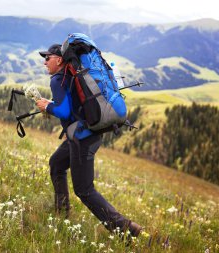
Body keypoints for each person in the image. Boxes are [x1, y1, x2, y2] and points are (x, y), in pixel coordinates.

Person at [36, 44, 142, 239]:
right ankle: (61, 214)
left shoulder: (58, 79)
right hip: (85, 134)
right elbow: (70, 105)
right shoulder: (71, 76)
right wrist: (51, 105)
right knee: (56, 164)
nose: (45, 61)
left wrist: (47, 107)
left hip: (82, 139)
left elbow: (64, 111)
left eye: (47, 57)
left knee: (84, 190)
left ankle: (127, 230)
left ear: (59, 60)